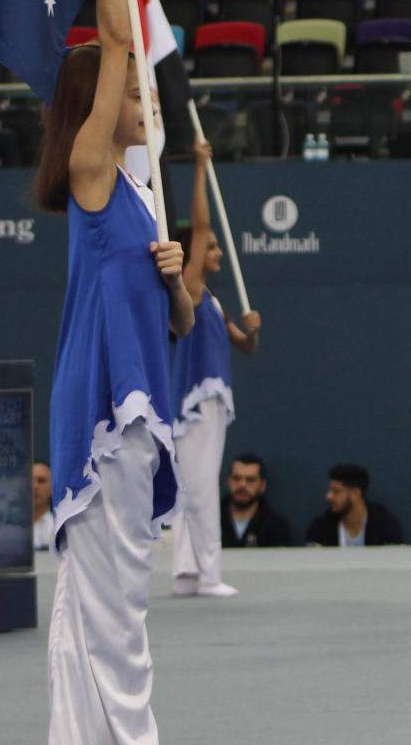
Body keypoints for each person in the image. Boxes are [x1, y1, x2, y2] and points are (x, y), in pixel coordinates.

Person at [34, 0, 194, 745]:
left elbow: (175, 324)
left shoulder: (134, 196)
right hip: (104, 412)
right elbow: (119, 40)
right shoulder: (94, 175)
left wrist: (172, 278)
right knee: (115, 606)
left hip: (135, 402)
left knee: (95, 606)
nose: (139, 97)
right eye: (126, 93)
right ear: (91, 109)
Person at [170, 139, 262, 598]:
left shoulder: (214, 300)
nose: (218, 254)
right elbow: (201, 224)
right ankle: (207, 575)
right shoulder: (190, 289)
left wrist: (253, 329)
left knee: (194, 487)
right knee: (202, 488)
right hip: (195, 400)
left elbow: (245, 347)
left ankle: (187, 572)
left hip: (210, 400)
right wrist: (201, 168)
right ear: (195, 254)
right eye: (212, 250)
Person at [306, 464, 405, 546]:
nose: (328, 496)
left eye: (336, 491)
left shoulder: (385, 526)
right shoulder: (320, 528)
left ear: (356, 494)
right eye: (330, 490)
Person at [222, 455, 292, 547]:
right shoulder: (211, 520)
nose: (242, 485)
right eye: (236, 478)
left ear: (262, 485)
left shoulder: (275, 526)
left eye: (250, 480)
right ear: (228, 481)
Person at [32, 461, 54, 551]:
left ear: (53, 487)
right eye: (30, 480)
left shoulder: (62, 530)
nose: (35, 486)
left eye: (41, 481)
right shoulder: (7, 531)